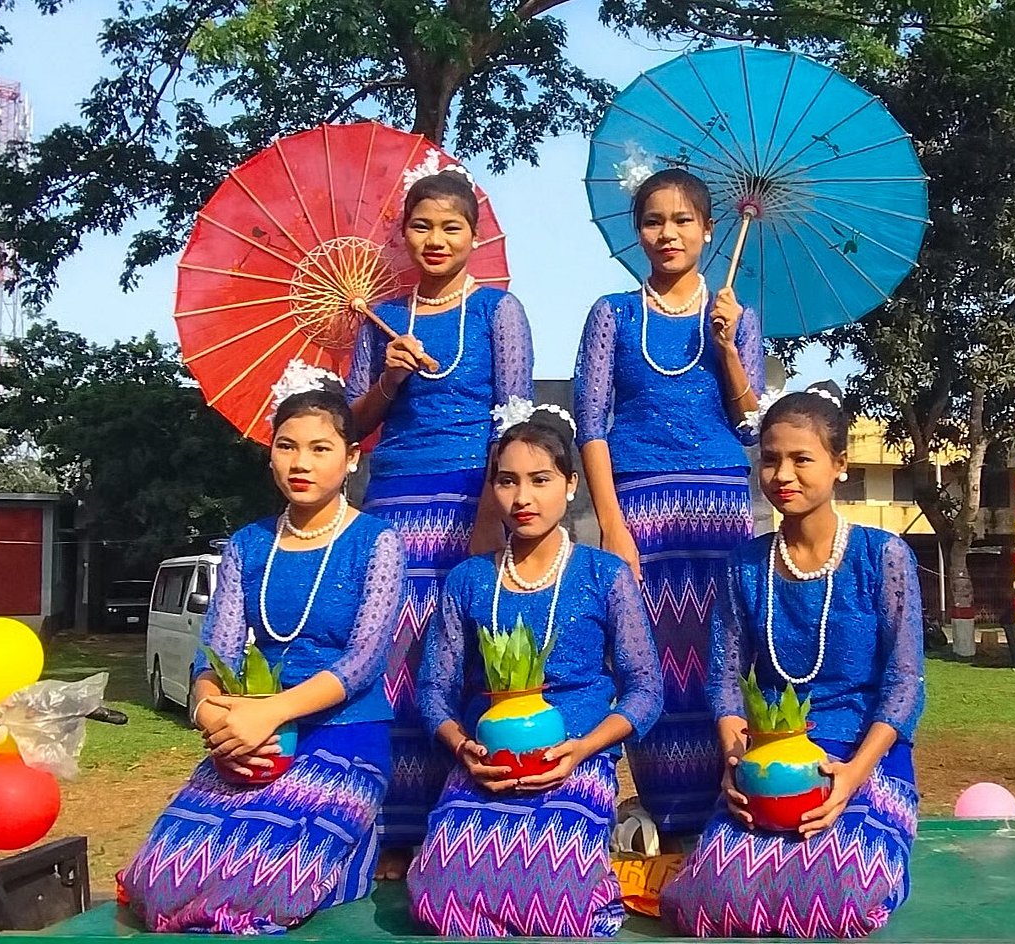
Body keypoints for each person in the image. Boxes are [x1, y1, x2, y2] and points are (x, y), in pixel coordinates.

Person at [118, 368, 406, 933]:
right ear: (270, 455)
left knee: (257, 889)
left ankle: (350, 858)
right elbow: (215, 656)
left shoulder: (377, 542)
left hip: (343, 737)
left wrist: (269, 712)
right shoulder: (249, 544)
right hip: (250, 737)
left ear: (350, 458)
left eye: (320, 448)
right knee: (162, 883)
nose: (301, 463)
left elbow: (363, 663)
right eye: (287, 446)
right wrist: (215, 721)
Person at [661, 381, 925, 939]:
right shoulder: (745, 564)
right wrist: (736, 761)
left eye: (802, 459)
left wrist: (852, 776)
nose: (783, 476)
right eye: (771, 460)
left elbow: (903, 685)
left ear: (839, 465)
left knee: (841, 899)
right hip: (770, 759)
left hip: (861, 756)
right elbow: (726, 679)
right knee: (706, 901)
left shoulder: (884, 557)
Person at [407, 406, 662, 937]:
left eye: (540, 480)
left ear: (571, 485)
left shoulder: (604, 574)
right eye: (507, 481)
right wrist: (463, 750)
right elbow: (433, 688)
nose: (522, 498)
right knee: (438, 894)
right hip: (487, 762)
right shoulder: (468, 581)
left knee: (557, 894)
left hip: (575, 761)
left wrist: (584, 749)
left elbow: (646, 691)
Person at [346, 165, 534, 878]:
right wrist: (389, 377)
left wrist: (493, 518)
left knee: (465, 656)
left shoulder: (498, 312)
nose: (435, 238)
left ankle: (466, 812)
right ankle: (394, 828)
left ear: (474, 237)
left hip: (471, 500)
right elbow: (352, 422)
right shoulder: (383, 317)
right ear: (404, 233)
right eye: (422, 225)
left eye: (451, 226)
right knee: (396, 659)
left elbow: (514, 418)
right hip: (393, 501)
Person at [573, 167, 764, 840]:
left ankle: (726, 802)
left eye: (683, 220)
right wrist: (610, 526)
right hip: (639, 511)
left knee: (722, 653)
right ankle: (659, 805)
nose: (668, 233)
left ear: (710, 231)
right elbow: (590, 424)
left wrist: (730, 349)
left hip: (720, 512)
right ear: (637, 233)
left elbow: (752, 425)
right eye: (654, 220)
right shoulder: (612, 315)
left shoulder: (740, 317)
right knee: (646, 656)